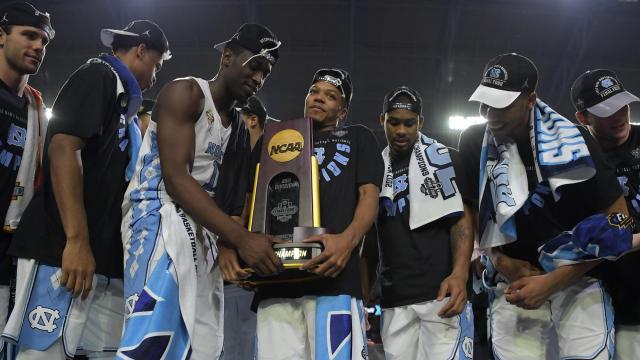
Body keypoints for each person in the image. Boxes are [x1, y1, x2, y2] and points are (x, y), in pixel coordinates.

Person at [2, 19, 169, 359]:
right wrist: (77, 241)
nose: (156, 74)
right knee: (42, 355)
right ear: (141, 51)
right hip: (60, 253)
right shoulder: (99, 76)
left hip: (100, 265)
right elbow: (64, 147)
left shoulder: (126, 106)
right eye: (159, 63)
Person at [117, 23, 283, 359]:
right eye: (255, 65)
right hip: (157, 213)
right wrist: (241, 239)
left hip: (200, 225)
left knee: (203, 340)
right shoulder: (187, 92)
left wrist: (233, 248)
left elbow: (226, 199)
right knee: (154, 336)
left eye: (266, 73)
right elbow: (177, 181)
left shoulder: (237, 126)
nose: (259, 79)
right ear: (227, 57)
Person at [457, 53, 627, 360]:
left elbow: (619, 220)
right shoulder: (473, 143)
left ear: (530, 100)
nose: (489, 113)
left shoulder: (576, 142)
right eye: (485, 102)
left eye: (502, 104)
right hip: (514, 282)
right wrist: (498, 259)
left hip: (578, 279)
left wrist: (553, 281)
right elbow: (473, 216)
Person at [244, 68, 384, 360]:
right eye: (314, 92)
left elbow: (369, 197)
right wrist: (246, 249)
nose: (319, 99)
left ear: (342, 110)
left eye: (331, 96)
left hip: (333, 277)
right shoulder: (274, 139)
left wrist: (347, 241)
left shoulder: (358, 137)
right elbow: (251, 200)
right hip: (277, 278)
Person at [376, 86, 474, 359]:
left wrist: (460, 274)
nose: (401, 131)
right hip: (394, 297)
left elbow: (462, 220)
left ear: (421, 122)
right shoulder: (374, 167)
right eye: (393, 122)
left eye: (410, 123)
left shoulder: (446, 159)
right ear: (381, 120)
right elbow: (369, 236)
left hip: (441, 294)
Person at [572, 69, 640, 359]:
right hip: (611, 294)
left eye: (622, 105)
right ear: (583, 117)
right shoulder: (573, 158)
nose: (619, 115)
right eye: (606, 110)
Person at [0, 2, 53, 357]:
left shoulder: (35, 107)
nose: (38, 46)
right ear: (1, 37)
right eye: (29, 35)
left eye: (44, 41)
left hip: (6, 250)